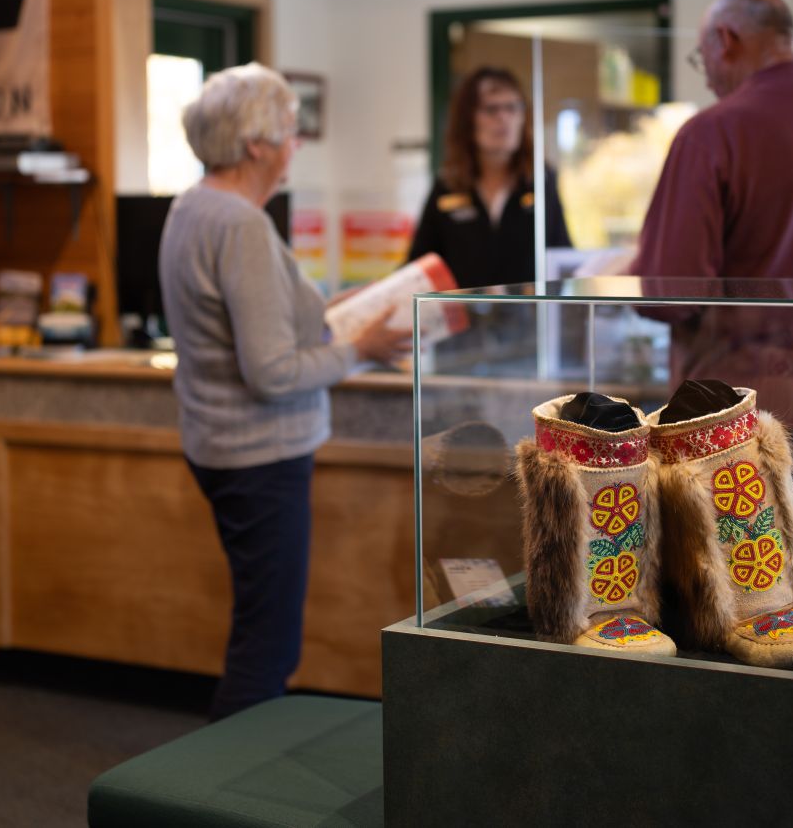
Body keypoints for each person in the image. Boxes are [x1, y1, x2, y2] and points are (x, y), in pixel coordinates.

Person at [159, 63, 410, 720]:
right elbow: (271, 372)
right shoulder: (240, 224)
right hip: (258, 456)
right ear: (255, 145)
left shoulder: (194, 205)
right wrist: (362, 349)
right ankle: (228, 792)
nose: (297, 145)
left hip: (219, 446)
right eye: (292, 132)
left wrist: (348, 307)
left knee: (260, 628)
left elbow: (269, 319)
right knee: (267, 648)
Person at [631, 0, 793, 570]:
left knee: (746, 613)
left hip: (739, 422)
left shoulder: (713, 134)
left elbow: (671, 292)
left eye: (702, 60)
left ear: (726, 40)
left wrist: (629, 266)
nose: (706, 79)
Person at [406, 66, 572, 288]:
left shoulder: (541, 181)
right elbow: (418, 266)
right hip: (465, 320)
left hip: (530, 319)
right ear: (468, 120)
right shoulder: (448, 186)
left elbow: (563, 258)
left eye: (512, 108)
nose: (503, 118)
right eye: (491, 109)